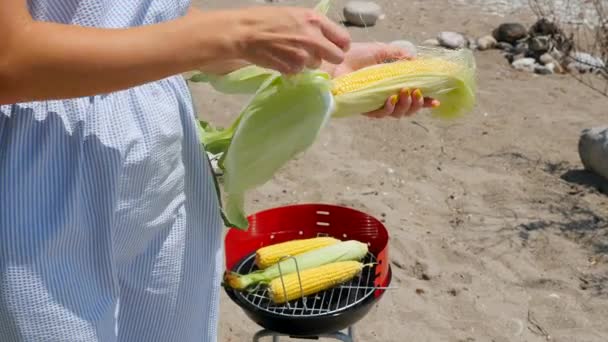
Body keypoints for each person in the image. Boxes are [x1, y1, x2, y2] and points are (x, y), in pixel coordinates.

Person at [0, 1, 437, 341]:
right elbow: (9, 60)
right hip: (41, 164)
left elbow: (153, 15)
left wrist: (322, 65)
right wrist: (233, 34)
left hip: (164, 159)